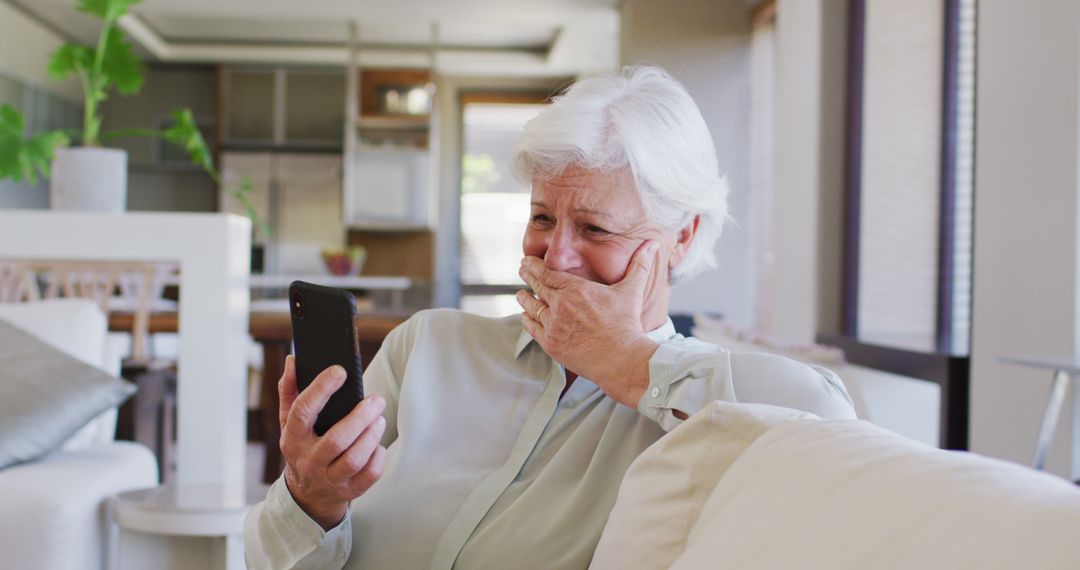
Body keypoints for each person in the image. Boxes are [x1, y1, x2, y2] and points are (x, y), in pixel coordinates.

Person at [244, 65, 855, 570]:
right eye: (541, 219)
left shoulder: (707, 403)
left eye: (595, 228)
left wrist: (625, 360)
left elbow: (828, 421)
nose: (555, 255)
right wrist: (311, 498)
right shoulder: (428, 346)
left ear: (682, 239)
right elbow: (269, 559)